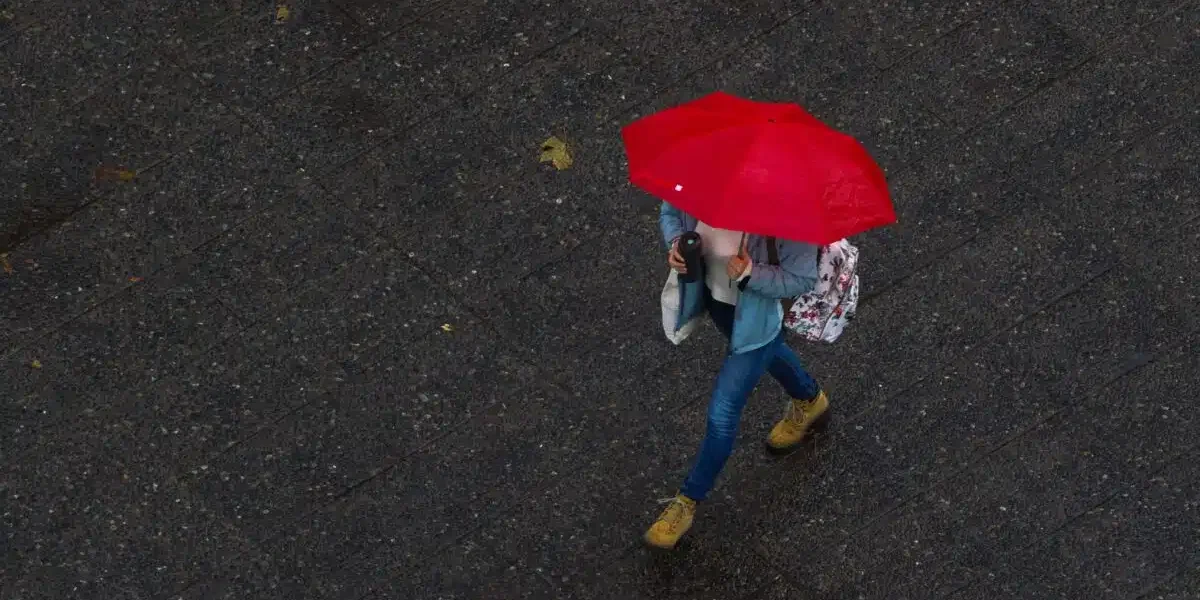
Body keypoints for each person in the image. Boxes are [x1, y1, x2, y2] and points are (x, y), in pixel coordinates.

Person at [644, 201, 830, 550]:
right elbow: (671, 212)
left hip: (756, 315)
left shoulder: (790, 209)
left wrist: (750, 273)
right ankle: (809, 399)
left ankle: (687, 500)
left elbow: (802, 277)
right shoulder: (704, 178)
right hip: (718, 304)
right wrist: (677, 242)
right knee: (770, 351)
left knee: (722, 413)